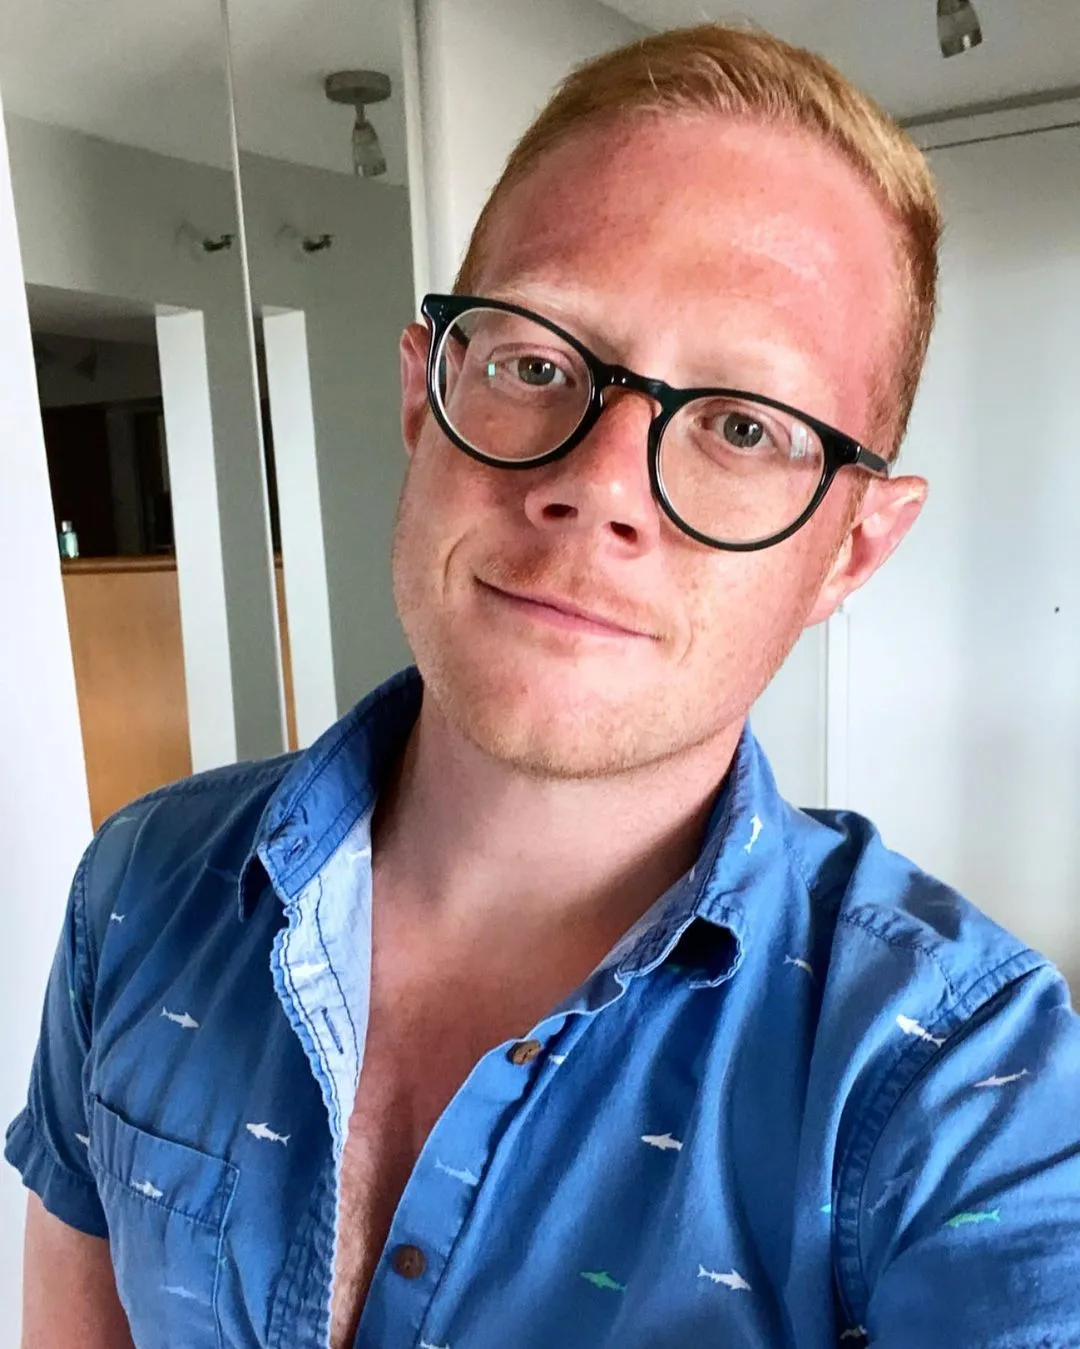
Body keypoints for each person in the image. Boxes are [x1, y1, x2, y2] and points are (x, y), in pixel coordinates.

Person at [8, 22, 1080, 1349]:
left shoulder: (957, 1072)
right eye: (537, 363)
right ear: (426, 395)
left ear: (853, 548)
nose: (600, 485)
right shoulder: (141, 886)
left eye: (744, 424)